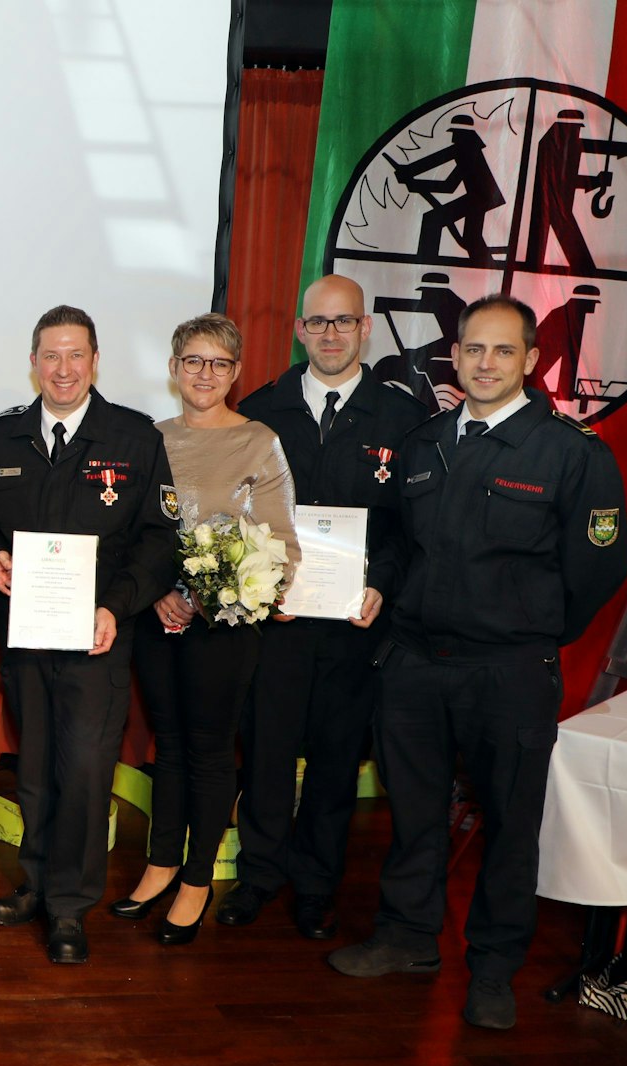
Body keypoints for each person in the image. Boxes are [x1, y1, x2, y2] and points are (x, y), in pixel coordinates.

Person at [329, 294, 627, 1031]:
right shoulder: (427, 440)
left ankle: (493, 968)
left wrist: (529, 629)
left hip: (509, 671)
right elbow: (400, 542)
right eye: (473, 349)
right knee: (415, 812)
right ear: (454, 356)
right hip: (414, 663)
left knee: (509, 824)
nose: (485, 363)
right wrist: (379, 583)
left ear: (531, 359)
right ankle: (407, 937)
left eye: (502, 350)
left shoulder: (571, 452)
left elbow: (598, 566)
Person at [0, 304, 177, 966]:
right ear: (33, 361)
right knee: (33, 770)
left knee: (85, 773)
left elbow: (157, 540)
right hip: (27, 636)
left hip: (98, 639)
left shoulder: (134, 437)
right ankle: (35, 882)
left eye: (76, 355)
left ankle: (68, 905)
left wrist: (117, 606)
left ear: (95, 361)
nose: (63, 368)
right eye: (50, 355)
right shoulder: (0, 438)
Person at [226, 274, 426, 941]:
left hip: (354, 625)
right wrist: (255, 581)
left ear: (366, 329)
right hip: (276, 625)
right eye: (319, 322)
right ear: (300, 330)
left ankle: (315, 884)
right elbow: (237, 517)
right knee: (266, 755)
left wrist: (384, 583)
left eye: (345, 322)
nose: (331, 334)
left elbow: (409, 529)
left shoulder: (403, 418)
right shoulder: (261, 411)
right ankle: (257, 875)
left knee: (338, 761)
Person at [109, 314, 295, 945]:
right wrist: (160, 590)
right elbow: (134, 536)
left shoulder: (258, 441)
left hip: (226, 626)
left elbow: (281, 545)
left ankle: (195, 879)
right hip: (157, 618)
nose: (204, 374)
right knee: (169, 744)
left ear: (236, 373)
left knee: (211, 751)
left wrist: (206, 595)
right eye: (193, 361)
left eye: (218, 363)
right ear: (173, 368)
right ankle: (161, 863)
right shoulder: (149, 439)